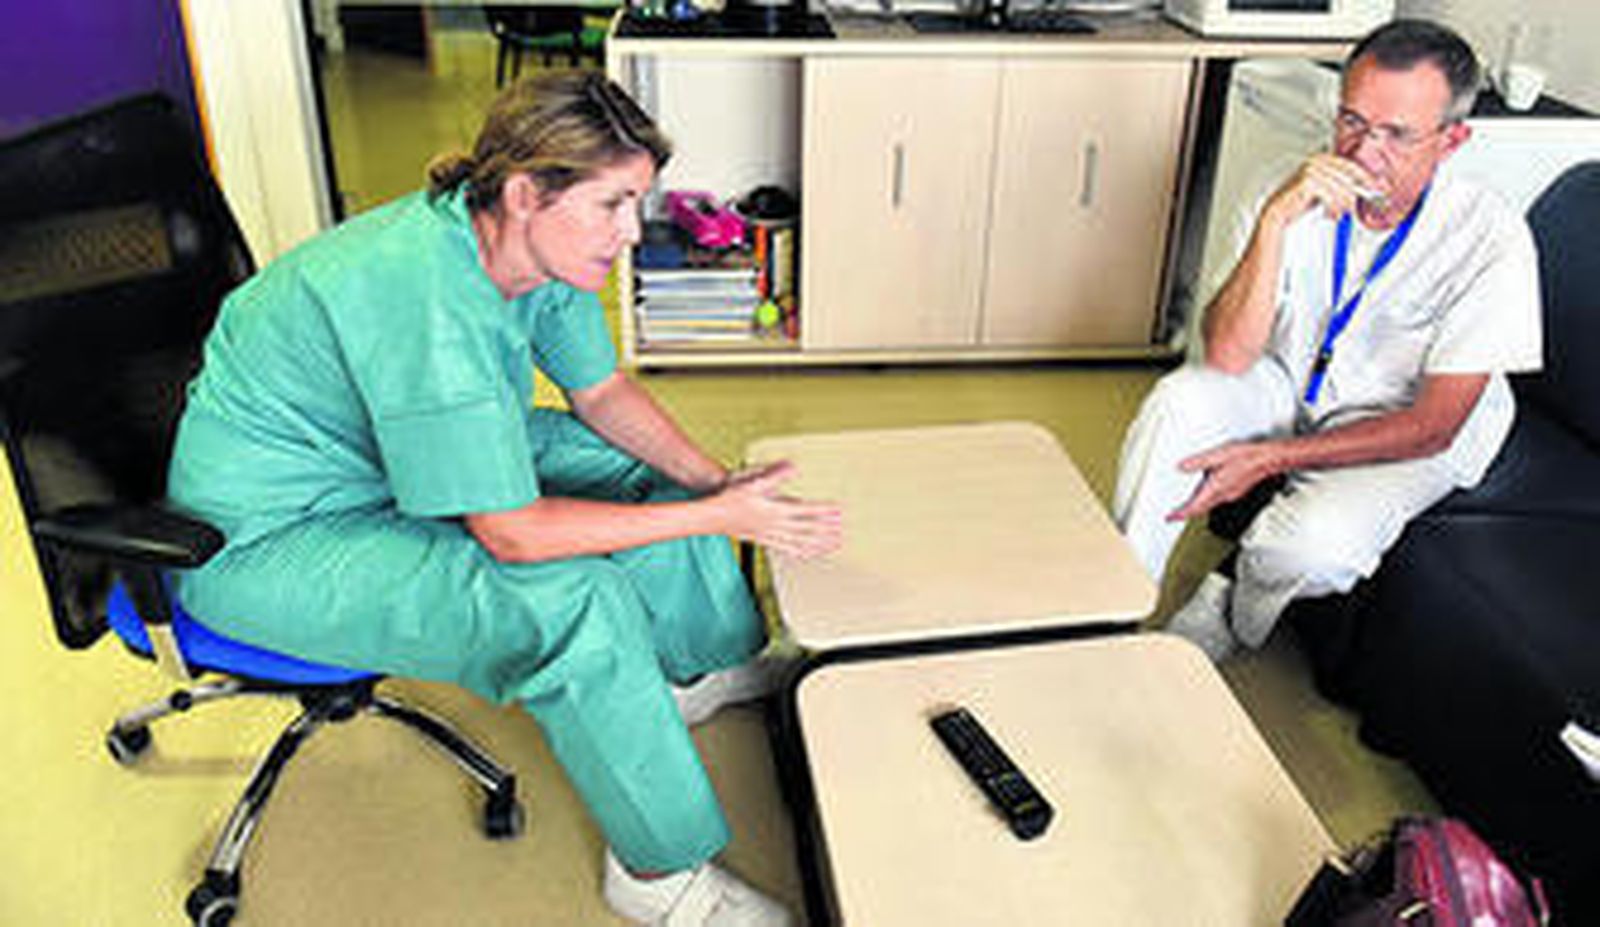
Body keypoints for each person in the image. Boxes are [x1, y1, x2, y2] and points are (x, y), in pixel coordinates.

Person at [167, 72, 842, 925]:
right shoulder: (425, 297)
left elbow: (601, 393)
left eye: (637, 202)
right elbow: (514, 535)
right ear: (525, 192)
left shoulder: (533, 248)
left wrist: (714, 483)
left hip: (383, 456)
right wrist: (717, 518)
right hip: (269, 539)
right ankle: (656, 873)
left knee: (641, 473)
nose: (633, 231)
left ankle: (699, 664)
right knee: (569, 601)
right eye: (614, 204)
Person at [1113, 20, 1542, 661]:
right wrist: (1275, 222)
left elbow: (1434, 426)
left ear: (1452, 141)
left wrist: (1269, 459)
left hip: (1405, 418)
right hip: (1293, 378)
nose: (1363, 152)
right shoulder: (1286, 186)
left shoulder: (1491, 239)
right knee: (1178, 404)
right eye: (1352, 121)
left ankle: (1232, 596)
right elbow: (1227, 355)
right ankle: (1115, 603)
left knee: (1310, 548)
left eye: (1397, 134)